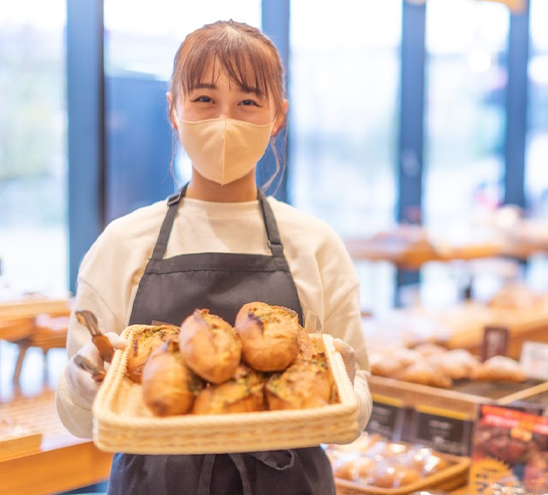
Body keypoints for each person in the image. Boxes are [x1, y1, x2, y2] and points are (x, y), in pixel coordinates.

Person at [56, 20, 372, 495]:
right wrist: (83, 382)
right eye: (204, 99)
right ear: (173, 111)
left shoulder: (315, 244)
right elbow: (81, 422)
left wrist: (344, 382)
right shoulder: (122, 244)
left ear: (278, 116)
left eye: (248, 102)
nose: (226, 121)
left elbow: (352, 420)